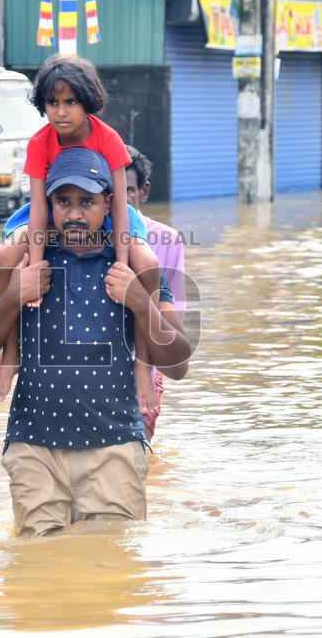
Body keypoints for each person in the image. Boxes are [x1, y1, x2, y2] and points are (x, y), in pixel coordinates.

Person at [0, 148, 191, 537]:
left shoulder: (130, 266)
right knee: (40, 569)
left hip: (115, 445)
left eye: (86, 201)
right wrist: (14, 296)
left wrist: (139, 301)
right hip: (34, 446)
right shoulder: (27, 262)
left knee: (107, 567)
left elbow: (178, 364)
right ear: (46, 204)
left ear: (109, 204)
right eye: (62, 201)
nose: (73, 213)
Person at [0, 55, 162, 416]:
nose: (61, 112)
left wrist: (122, 266)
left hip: (109, 213)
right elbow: (38, 208)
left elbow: (116, 205)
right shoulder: (40, 142)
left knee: (148, 264)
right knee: (5, 256)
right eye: (53, 102)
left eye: (70, 102)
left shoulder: (107, 138)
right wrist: (34, 267)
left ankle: (143, 366)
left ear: (88, 102)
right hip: (51, 211)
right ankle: (10, 356)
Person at [123, 145, 187, 440]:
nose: (118, 202)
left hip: (145, 372)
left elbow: (172, 330)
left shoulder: (166, 240)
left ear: (143, 192)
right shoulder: (85, 234)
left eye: (128, 191)